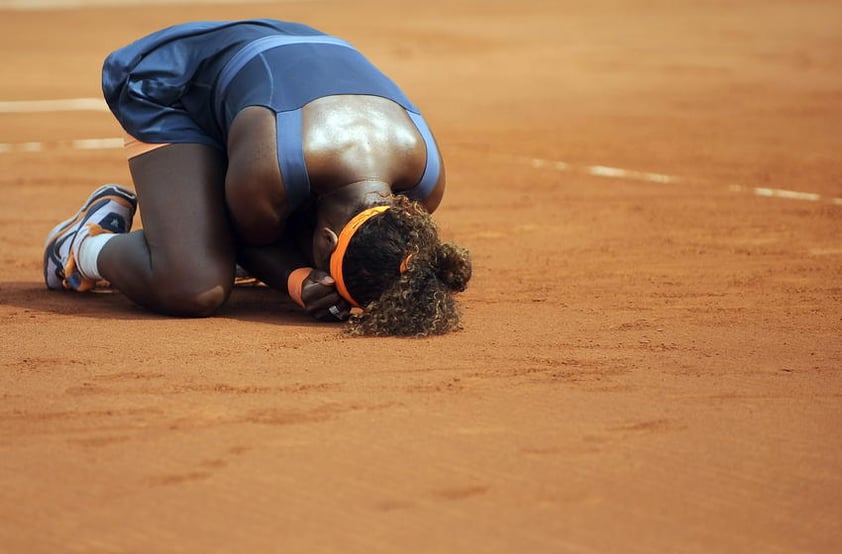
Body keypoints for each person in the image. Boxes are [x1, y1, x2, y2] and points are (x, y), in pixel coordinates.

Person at [43, 19, 471, 336]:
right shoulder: (272, 174)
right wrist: (294, 278)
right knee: (194, 284)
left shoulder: (424, 186)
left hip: (294, 61)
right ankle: (80, 246)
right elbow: (245, 236)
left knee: (245, 236)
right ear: (325, 240)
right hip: (177, 84)